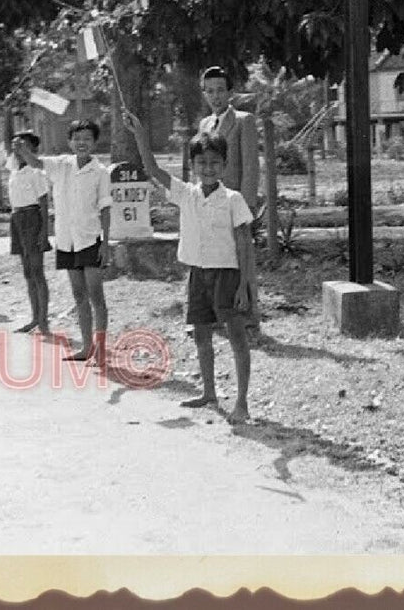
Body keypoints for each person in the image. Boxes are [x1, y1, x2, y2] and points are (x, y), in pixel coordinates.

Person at [124, 110, 255, 424]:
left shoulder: (234, 199)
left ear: (224, 165)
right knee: (201, 334)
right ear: (193, 166)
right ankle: (209, 392)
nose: (207, 169)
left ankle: (241, 402)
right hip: (198, 273)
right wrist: (140, 133)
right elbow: (152, 168)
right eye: (201, 163)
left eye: (214, 163)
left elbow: (244, 244)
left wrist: (244, 286)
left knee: (237, 337)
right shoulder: (186, 194)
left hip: (227, 275)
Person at [15, 119, 111, 364]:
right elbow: (37, 162)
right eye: (77, 139)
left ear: (94, 142)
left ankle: (100, 350)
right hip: (66, 240)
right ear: (70, 141)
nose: (82, 143)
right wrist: (23, 149)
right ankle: (86, 346)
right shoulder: (61, 165)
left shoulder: (100, 172)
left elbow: (105, 208)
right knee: (79, 295)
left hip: (90, 238)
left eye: (87, 139)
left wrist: (106, 243)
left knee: (96, 296)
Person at [197, 66, 262, 328]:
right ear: (204, 94)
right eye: (210, 91)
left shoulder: (243, 121)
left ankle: (248, 315)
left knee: (242, 256)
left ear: (230, 93)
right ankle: (218, 313)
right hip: (210, 200)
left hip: (235, 201)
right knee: (215, 258)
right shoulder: (205, 124)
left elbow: (250, 166)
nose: (215, 96)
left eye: (220, 90)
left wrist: (247, 205)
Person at [2, 132, 52, 335]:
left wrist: (44, 232)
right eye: (17, 145)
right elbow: (7, 143)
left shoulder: (36, 171)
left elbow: (43, 202)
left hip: (32, 217)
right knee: (28, 272)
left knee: (37, 271)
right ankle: (34, 317)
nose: (19, 149)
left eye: (24, 145)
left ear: (33, 149)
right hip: (17, 217)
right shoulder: (15, 169)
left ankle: (43, 320)